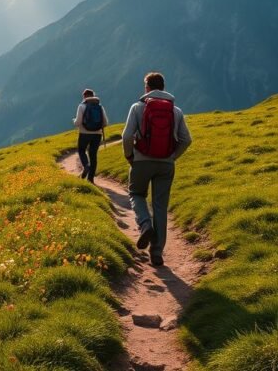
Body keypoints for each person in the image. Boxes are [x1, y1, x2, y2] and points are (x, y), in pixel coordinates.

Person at [122, 72, 192, 267]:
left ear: (147, 87)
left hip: (141, 161)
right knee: (160, 206)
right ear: (163, 87)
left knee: (136, 194)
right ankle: (157, 252)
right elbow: (187, 140)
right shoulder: (175, 111)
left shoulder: (137, 107)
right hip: (166, 165)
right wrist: (172, 157)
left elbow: (127, 136)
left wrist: (130, 156)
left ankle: (145, 225)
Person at [73, 88, 109, 183]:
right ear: (93, 95)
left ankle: (86, 166)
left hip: (84, 133)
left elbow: (78, 122)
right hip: (97, 134)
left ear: (84, 96)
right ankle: (91, 179)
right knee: (93, 155)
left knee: (81, 150)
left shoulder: (81, 106)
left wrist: (74, 121)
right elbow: (105, 122)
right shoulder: (100, 106)